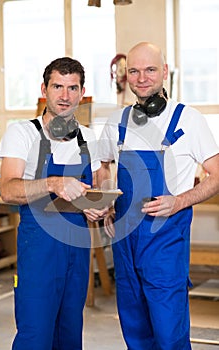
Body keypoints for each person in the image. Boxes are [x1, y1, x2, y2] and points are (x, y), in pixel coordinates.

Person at [92, 42, 219, 349]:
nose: (142, 78)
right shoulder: (117, 121)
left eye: (150, 70)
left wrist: (180, 201)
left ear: (164, 72)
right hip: (125, 240)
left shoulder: (188, 120)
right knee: (134, 327)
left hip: (164, 242)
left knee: (168, 329)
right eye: (134, 71)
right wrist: (107, 201)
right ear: (126, 77)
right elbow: (102, 165)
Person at [0, 57, 103, 350]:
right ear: (44, 89)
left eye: (72, 88)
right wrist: (52, 183)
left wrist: (98, 206)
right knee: (36, 334)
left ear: (81, 92)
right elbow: (8, 189)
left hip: (77, 249)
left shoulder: (88, 138)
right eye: (58, 86)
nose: (65, 95)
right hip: (39, 250)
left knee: (70, 333)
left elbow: (93, 191)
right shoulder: (23, 133)